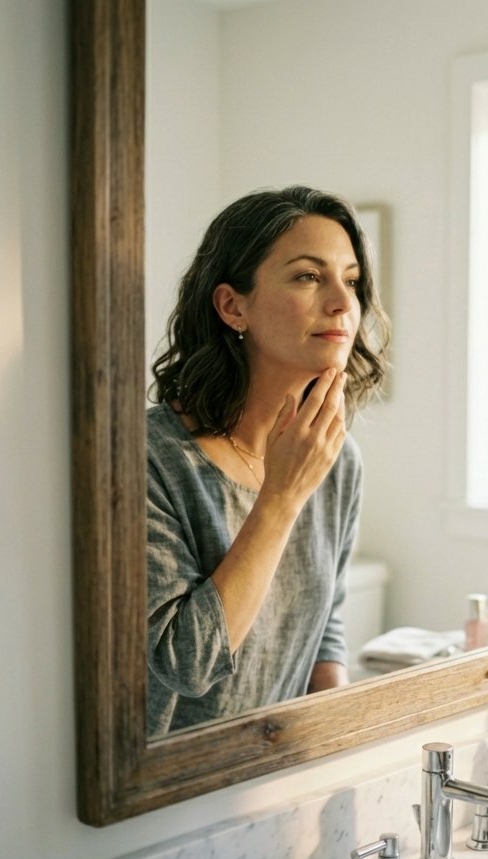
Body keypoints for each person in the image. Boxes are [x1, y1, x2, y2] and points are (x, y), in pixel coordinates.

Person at [145, 186, 388, 736]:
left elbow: (324, 623)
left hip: (269, 779)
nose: (343, 303)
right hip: (161, 798)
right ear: (233, 306)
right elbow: (188, 666)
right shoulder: (153, 460)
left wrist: (336, 744)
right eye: (308, 276)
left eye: (350, 280)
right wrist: (281, 497)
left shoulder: (337, 457)